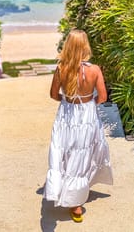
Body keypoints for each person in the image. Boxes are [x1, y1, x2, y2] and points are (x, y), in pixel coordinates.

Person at [43, 29, 113, 223]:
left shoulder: (61, 68)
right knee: (82, 155)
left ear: (68, 46)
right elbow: (104, 97)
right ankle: (76, 203)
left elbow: (53, 94)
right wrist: (89, 104)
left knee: (64, 151)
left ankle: (65, 192)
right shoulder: (94, 70)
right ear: (85, 47)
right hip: (86, 114)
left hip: (67, 113)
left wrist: (67, 100)